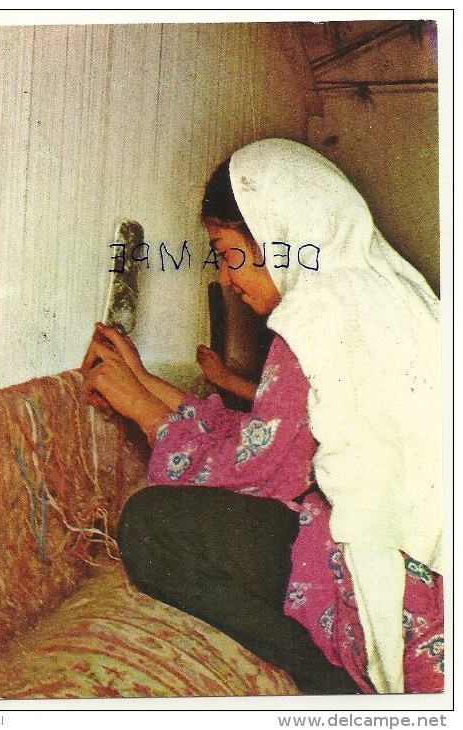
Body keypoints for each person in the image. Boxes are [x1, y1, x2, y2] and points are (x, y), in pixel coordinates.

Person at [82, 139, 443, 695]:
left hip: (387, 580)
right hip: (432, 564)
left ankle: (333, 681)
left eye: (227, 252)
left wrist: (135, 405)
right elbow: (267, 437)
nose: (226, 279)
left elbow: (256, 475)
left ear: (278, 236)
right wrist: (144, 381)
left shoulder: (316, 315)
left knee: (149, 525)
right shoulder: (377, 290)